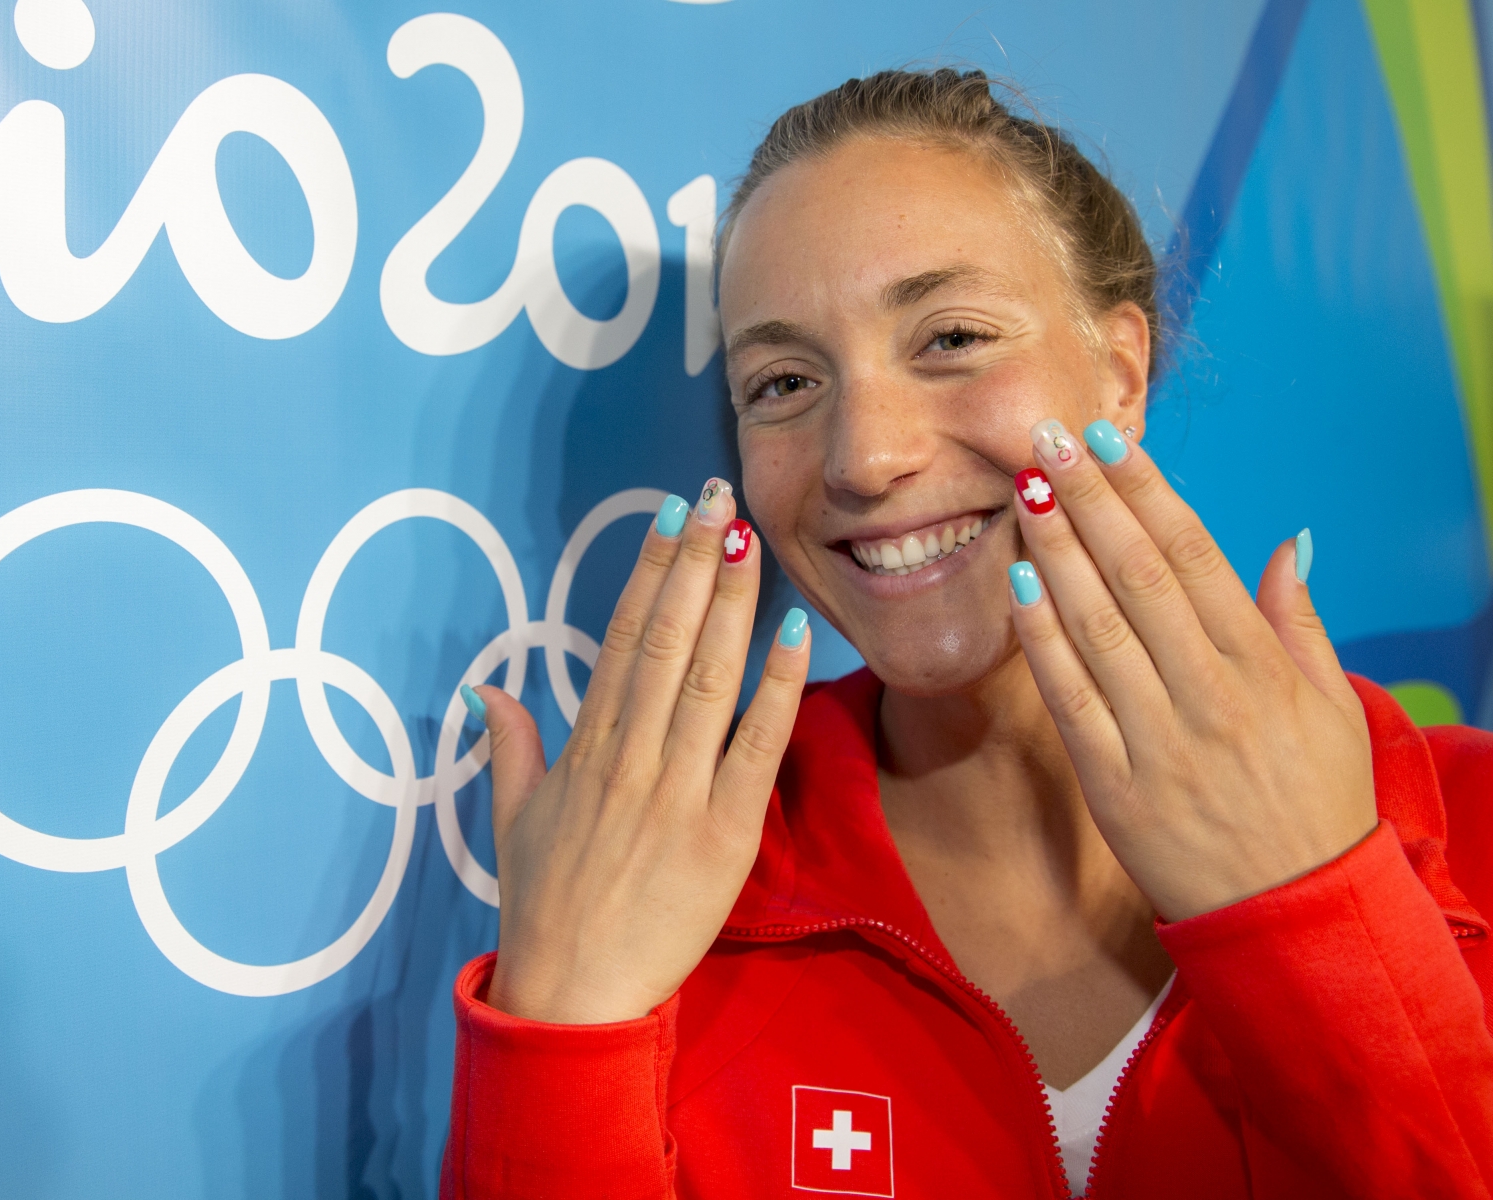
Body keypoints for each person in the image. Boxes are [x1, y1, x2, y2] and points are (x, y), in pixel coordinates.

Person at [441, 69, 1493, 1198]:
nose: (862, 456)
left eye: (948, 337)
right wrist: (560, 1030)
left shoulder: (1462, 822)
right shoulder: (667, 895)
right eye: (783, 380)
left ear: (1121, 371)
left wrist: (1320, 924)